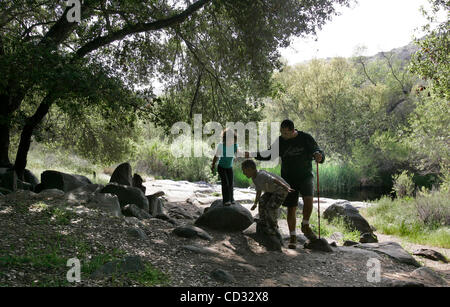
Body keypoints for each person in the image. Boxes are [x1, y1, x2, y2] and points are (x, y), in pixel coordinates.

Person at [245, 119, 325, 249]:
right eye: (281, 132)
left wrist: (319, 155)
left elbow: (317, 150)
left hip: (305, 176)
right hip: (288, 179)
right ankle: (292, 236)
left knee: (308, 200)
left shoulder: (305, 138)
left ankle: (305, 224)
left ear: (293, 130)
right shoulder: (281, 141)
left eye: (286, 133)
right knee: (291, 208)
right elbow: (268, 153)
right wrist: (253, 154)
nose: (283, 135)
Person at [241, 159, 294, 244]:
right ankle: (263, 221)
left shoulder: (261, 175)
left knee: (270, 207)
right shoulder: (254, 178)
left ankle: (273, 228)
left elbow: (273, 179)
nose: (244, 173)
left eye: (244, 171)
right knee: (262, 201)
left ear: (251, 169)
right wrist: (255, 203)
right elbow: (259, 191)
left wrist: (285, 187)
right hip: (271, 191)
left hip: (281, 190)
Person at [211, 129, 241, 206]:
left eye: (233, 140)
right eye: (229, 140)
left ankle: (231, 198)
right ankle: (226, 200)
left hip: (229, 167)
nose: (231, 142)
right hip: (221, 167)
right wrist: (213, 164)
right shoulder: (221, 146)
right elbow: (216, 156)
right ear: (225, 139)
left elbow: (238, 153)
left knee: (231, 183)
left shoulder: (235, 146)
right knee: (225, 183)